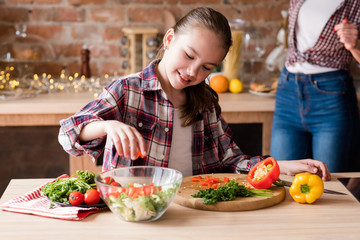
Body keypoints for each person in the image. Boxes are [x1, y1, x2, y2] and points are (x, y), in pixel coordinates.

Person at [58, 7, 330, 180]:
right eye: (188, 55)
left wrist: (278, 166)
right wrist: (107, 126)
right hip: (136, 207)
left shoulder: (205, 101)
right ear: (169, 40)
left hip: (194, 208)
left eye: (206, 67)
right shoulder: (127, 90)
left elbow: (231, 160)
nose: (191, 72)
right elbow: (68, 134)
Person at [270, 0, 360, 173]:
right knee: (281, 179)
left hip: (331, 96)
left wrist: (354, 46)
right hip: (288, 91)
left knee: (331, 184)